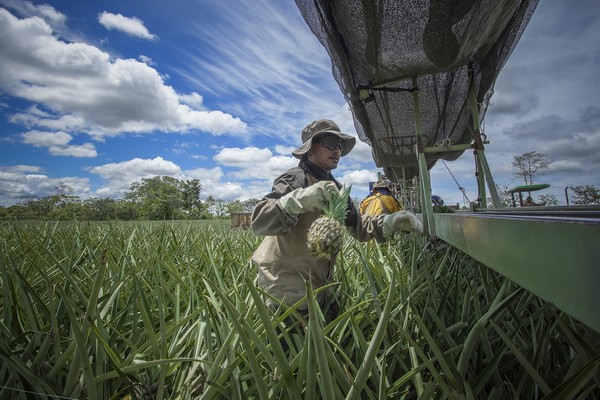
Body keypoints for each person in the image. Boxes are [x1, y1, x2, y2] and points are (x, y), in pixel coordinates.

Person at [250, 119, 422, 326]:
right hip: (288, 287)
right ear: (309, 149)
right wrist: (295, 201)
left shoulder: (337, 189)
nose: (337, 150)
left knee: (331, 338)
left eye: (340, 145)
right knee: (295, 343)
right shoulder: (295, 179)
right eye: (330, 143)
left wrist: (390, 222)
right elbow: (259, 220)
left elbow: (358, 225)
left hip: (323, 284)